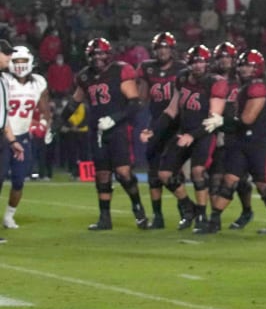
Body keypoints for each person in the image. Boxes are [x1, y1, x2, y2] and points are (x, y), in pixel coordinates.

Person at [62, 38, 151, 231]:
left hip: (118, 129)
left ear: (108, 54)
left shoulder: (120, 70)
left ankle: (138, 209)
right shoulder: (85, 76)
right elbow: (74, 102)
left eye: (101, 53)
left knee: (123, 173)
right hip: (97, 131)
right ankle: (104, 217)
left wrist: (115, 118)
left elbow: (135, 102)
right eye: (94, 54)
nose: (98, 58)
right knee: (102, 175)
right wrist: (57, 123)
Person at [140, 45, 227, 233]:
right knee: (164, 174)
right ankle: (189, 207)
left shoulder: (215, 82)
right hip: (184, 132)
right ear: (188, 63)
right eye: (195, 61)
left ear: (208, 63)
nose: (198, 65)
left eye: (202, 61)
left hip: (203, 134)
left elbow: (215, 119)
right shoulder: (181, 79)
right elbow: (171, 110)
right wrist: (152, 130)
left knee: (197, 171)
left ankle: (203, 217)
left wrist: (193, 135)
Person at [205, 50, 266, 234]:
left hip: (260, 142)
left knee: (263, 185)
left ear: (258, 67)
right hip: (242, 141)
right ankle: (213, 221)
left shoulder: (257, 86)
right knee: (229, 180)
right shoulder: (245, 86)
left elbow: (248, 119)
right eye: (242, 65)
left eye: (249, 65)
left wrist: (222, 122)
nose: (244, 69)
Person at [136, 31, 194, 229]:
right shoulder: (147, 68)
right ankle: (158, 216)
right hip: (156, 123)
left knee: (172, 171)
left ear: (172, 49)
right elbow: (142, 97)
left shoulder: (183, 69)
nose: (162, 51)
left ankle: (186, 211)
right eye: (160, 48)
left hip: (176, 124)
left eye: (166, 47)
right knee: (153, 173)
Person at [207, 42, 256, 230]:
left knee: (240, 179)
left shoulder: (244, 79)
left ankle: (246, 211)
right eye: (221, 57)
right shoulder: (211, 79)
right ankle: (214, 218)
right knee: (215, 177)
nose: (225, 60)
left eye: (228, 57)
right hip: (217, 131)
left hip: (239, 131)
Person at [0, 46, 47, 229]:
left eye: (23, 62)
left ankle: (9, 215)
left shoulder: (38, 82)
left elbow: (45, 109)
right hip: (4, 136)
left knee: (19, 180)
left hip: (22, 136)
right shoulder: (4, 80)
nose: (19, 66)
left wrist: (43, 124)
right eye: (16, 61)